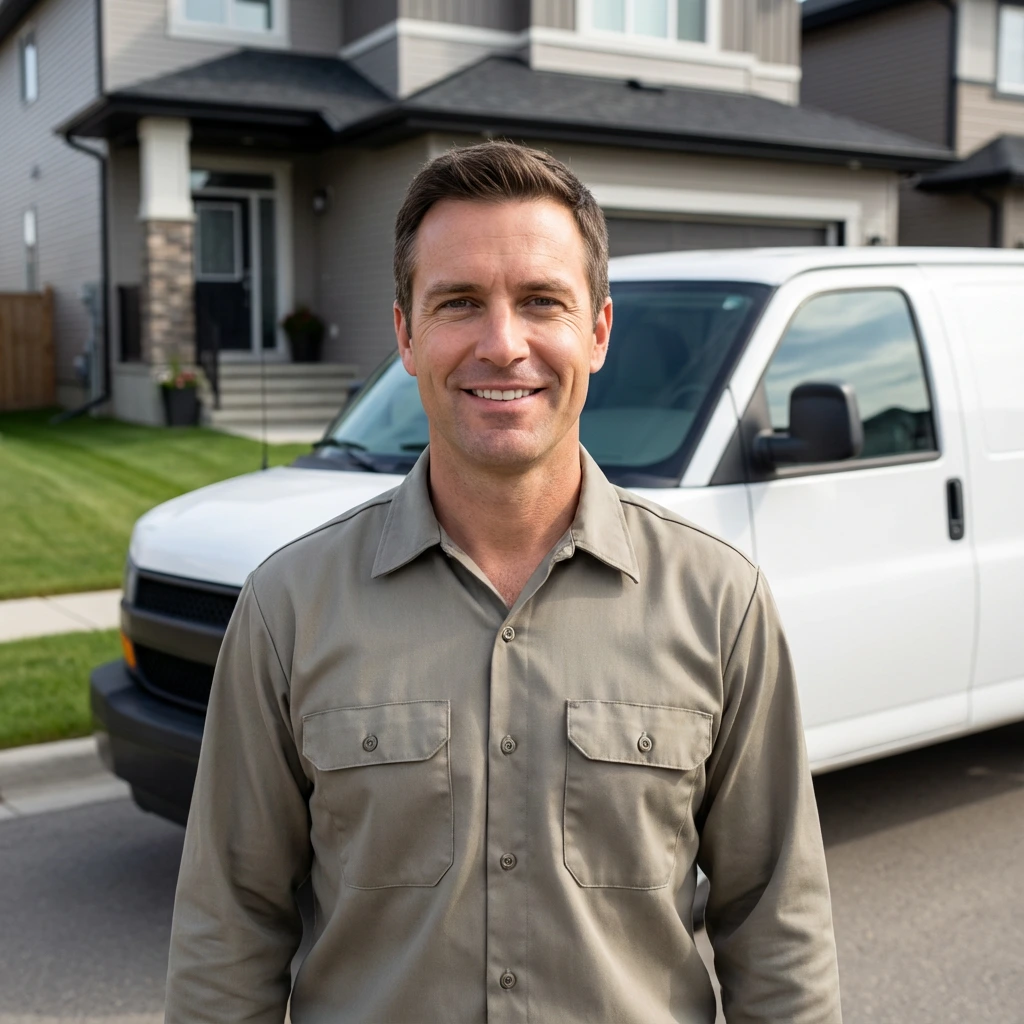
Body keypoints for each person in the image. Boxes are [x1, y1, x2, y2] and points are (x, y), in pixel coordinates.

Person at [164, 141, 842, 1023]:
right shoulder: (288, 609)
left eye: (540, 302)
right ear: (406, 335)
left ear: (597, 332)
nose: (502, 343)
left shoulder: (720, 603)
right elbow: (229, 930)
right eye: (459, 304)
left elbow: (777, 926)